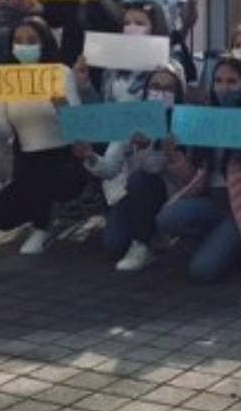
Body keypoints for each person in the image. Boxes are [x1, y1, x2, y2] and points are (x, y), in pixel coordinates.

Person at [0, 18, 85, 255]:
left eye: (31, 41)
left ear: (44, 44)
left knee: (40, 175)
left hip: (63, 161)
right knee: (0, 216)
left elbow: (78, 129)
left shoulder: (60, 73)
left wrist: (62, 108)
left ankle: (42, 228)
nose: (24, 46)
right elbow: (4, 132)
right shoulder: (9, 79)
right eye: (18, 41)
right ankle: (37, 217)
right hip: (27, 161)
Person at [152, 57, 241, 282]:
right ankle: (220, 239)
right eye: (219, 81)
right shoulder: (204, 117)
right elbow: (192, 178)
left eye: (232, 81)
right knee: (166, 219)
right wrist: (174, 156)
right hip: (211, 201)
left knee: (202, 271)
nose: (224, 88)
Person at [74, 61, 188, 271]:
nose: (160, 93)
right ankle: (148, 233)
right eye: (155, 87)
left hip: (170, 194)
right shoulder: (133, 118)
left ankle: (142, 244)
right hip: (134, 194)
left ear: (178, 93)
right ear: (146, 90)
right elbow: (110, 168)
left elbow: (155, 170)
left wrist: (150, 149)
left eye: (168, 89)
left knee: (139, 180)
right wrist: (90, 157)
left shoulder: (185, 122)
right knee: (113, 244)